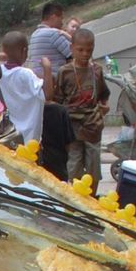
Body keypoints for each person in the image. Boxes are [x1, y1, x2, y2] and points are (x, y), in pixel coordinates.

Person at [46, 28, 110, 189]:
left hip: (93, 125)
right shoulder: (65, 71)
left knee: (93, 167)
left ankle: (92, 197)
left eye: (89, 50)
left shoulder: (97, 70)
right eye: (80, 50)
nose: (85, 54)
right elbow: (57, 100)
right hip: (71, 126)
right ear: (72, 48)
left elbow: (104, 94)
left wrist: (104, 107)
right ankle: (74, 198)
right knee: (73, 166)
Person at [0, 31, 44, 142]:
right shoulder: (26, 74)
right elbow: (47, 95)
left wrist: (0, 55)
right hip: (28, 137)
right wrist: (47, 68)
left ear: (3, 50)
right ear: (24, 51)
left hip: (5, 135)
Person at [26, 1, 72, 79]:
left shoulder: (33, 36)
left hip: (39, 80)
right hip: (56, 80)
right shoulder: (53, 34)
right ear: (54, 17)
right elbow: (76, 53)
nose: (62, 23)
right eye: (61, 18)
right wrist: (68, 36)